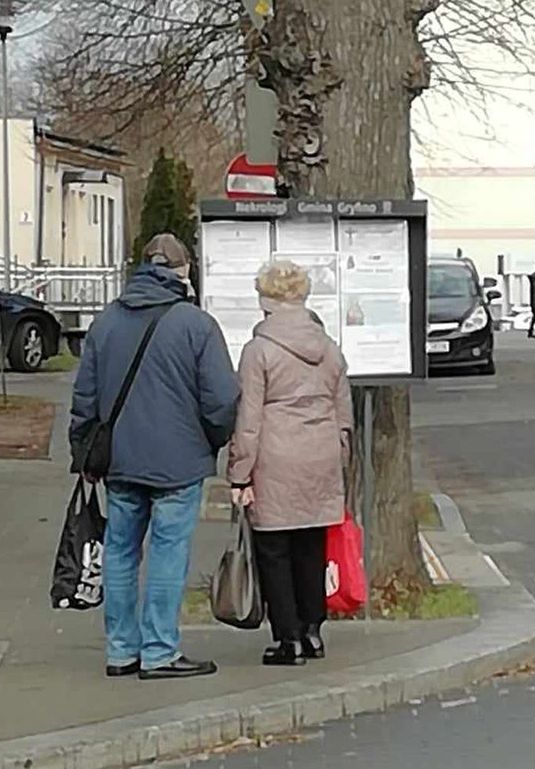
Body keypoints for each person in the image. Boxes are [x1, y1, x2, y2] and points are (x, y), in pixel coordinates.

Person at [70, 233, 239, 681]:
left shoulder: (105, 323)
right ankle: (160, 651)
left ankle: (121, 650)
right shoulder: (197, 324)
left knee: (121, 551)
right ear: (183, 273)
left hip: (121, 461)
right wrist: (211, 440)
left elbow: (84, 398)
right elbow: (222, 399)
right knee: (168, 552)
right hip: (178, 463)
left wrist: (82, 451)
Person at [228, 261, 354, 666]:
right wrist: (339, 456)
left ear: (264, 301)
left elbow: (249, 420)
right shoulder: (329, 347)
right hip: (321, 453)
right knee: (311, 544)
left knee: (274, 548)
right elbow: (343, 411)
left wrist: (239, 474)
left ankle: (288, 639)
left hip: (276, 456)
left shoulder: (258, 351)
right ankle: (313, 630)